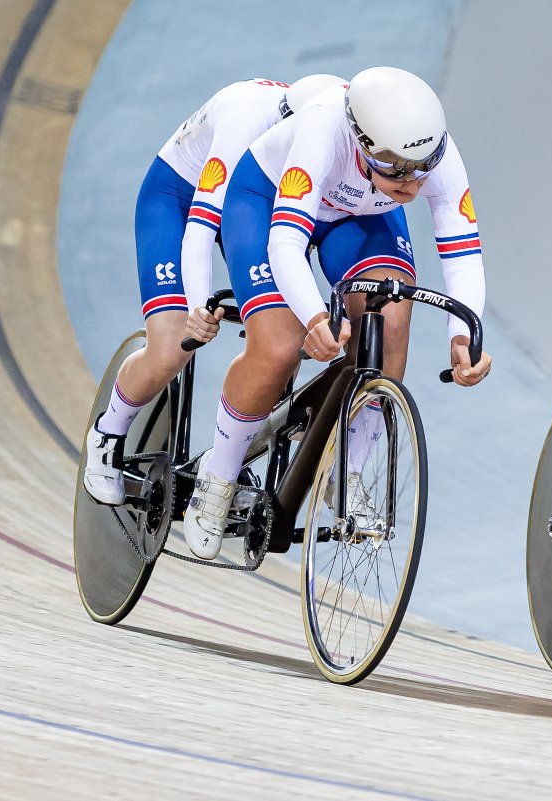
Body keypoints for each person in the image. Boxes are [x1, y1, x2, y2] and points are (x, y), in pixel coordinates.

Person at [181, 66, 492, 560]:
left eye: (421, 166)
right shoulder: (324, 126)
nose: (411, 182)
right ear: (362, 142)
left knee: (392, 317)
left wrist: (463, 334)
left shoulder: (434, 157)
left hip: (361, 213)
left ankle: (346, 472)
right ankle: (217, 476)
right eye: (395, 166)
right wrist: (311, 318)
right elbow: (285, 242)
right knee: (280, 345)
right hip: (267, 198)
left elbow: (463, 250)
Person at [82, 74, 346, 504]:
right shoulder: (246, 121)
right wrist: (198, 306)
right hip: (180, 202)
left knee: (283, 327)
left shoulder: (319, 139)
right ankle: (107, 433)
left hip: (247, 202)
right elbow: (201, 229)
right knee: (172, 347)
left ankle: (232, 455)